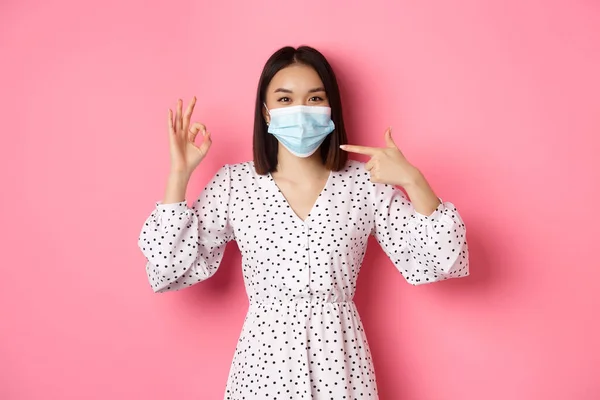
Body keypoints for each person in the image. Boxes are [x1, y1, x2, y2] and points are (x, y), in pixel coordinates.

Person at [138, 45, 469, 399]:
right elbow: (167, 267)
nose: (300, 109)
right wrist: (179, 174)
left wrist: (413, 181)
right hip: (263, 368)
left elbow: (443, 261)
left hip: (341, 362)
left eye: (314, 98)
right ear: (265, 113)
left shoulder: (365, 183)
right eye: (285, 99)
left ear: (331, 110)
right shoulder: (235, 184)